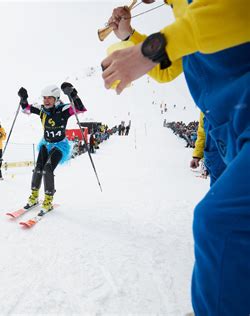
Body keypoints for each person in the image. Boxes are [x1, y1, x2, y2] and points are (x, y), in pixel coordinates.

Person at [102, 1, 249, 314]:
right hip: (227, 131)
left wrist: (148, 50)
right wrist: (130, 36)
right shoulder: (182, 10)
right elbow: (168, 67)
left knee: (220, 223)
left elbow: (238, 14)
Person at [17, 83, 86, 213]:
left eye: (49, 98)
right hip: (46, 143)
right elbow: (26, 109)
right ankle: (34, 197)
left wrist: (73, 94)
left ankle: (48, 201)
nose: (46, 101)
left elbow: (80, 109)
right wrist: (24, 98)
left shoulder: (63, 110)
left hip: (60, 145)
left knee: (47, 169)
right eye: (44, 98)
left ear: (56, 98)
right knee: (38, 168)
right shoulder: (42, 109)